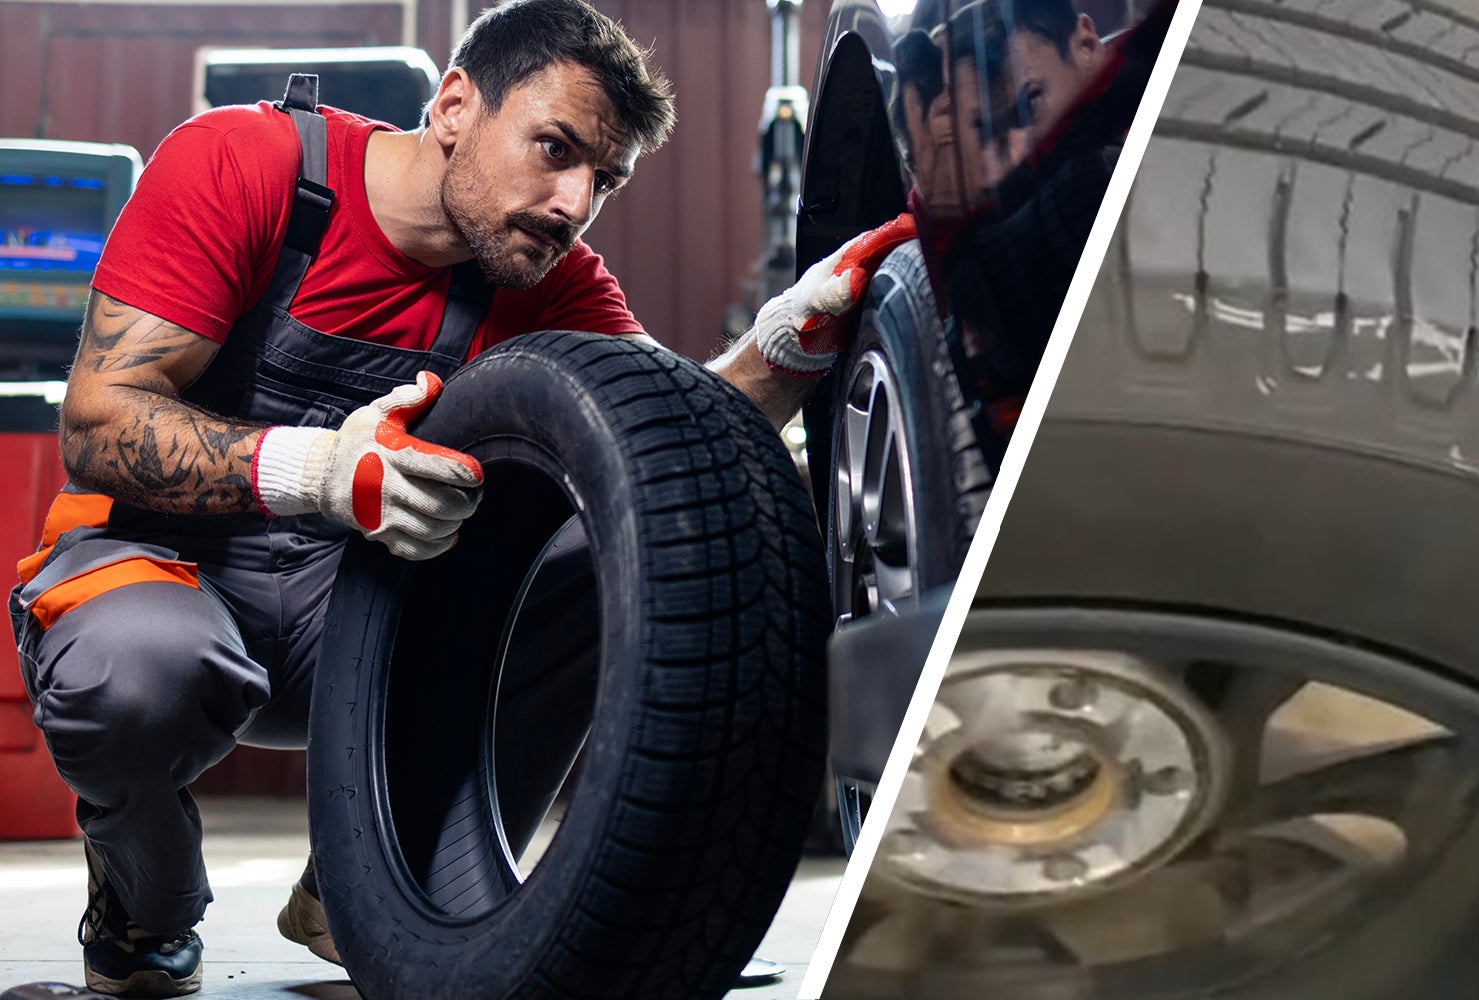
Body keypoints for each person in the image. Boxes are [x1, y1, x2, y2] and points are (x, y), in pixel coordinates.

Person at [6, 0, 909, 995]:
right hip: (156, 573)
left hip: (350, 616)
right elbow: (97, 422)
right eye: (554, 149)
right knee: (135, 674)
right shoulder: (248, 165)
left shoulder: (549, 276)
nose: (572, 202)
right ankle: (143, 909)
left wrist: (781, 348)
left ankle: (372, 890)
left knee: (609, 557)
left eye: (603, 179)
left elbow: (663, 450)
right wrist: (323, 469)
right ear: (452, 107)